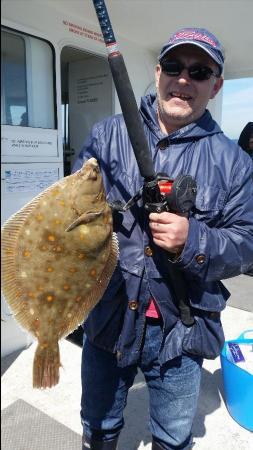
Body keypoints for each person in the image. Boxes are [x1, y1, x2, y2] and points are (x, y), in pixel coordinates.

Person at [73, 27, 253, 450]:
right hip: (109, 316)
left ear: (216, 85)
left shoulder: (236, 163)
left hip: (181, 327)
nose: (184, 80)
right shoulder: (107, 136)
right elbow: (69, 210)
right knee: (98, 426)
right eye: (174, 66)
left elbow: (247, 244)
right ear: (158, 73)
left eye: (199, 71)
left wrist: (194, 240)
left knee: (173, 436)